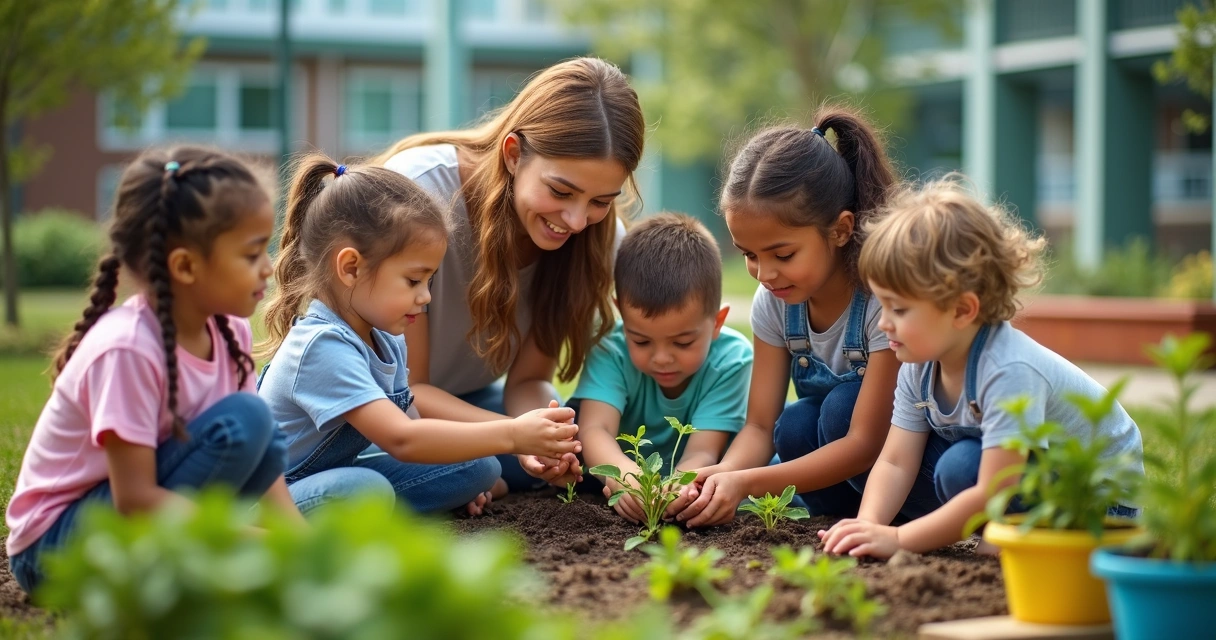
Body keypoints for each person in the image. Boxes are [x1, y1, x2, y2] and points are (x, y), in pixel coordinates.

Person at [6, 146, 301, 593]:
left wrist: (301, 544)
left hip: (123, 522)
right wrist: (252, 542)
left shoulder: (230, 332)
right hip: (53, 548)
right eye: (251, 254)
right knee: (246, 419)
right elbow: (136, 499)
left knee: (257, 425)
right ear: (185, 266)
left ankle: (185, 562)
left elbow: (265, 456)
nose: (269, 266)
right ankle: (189, 563)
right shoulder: (127, 349)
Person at [818, 178, 1144, 559]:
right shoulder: (919, 362)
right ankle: (999, 531)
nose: (882, 323)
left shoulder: (1007, 368)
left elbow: (993, 486)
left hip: (1095, 502)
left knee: (961, 466)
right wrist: (869, 526)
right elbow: (895, 461)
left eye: (899, 309)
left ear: (962, 310)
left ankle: (1009, 537)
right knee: (955, 465)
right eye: (882, 305)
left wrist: (899, 540)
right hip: (1023, 479)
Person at [257, 155, 579, 517]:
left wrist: (474, 472)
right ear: (351, 268)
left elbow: (418, 429)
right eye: (413, 280)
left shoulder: (387, 340)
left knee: (481, 467)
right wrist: (514, 434)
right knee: (364, 489)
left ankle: (384, 513)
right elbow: (401, 439)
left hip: (329, 477)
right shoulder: (321, 345)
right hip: (269, 495)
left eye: (429, 281)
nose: (425, 297)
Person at [375, 56, 645, 491]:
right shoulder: (419, 195)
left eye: (601, 201)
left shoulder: (596, 240)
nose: (577, 221)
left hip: (462, 401)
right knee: (479, 469)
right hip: (376, 409)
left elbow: (528, 380)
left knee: (572, 449)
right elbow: (411, 390)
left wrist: (545, 437)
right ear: (514, 154)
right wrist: (515, 436)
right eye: (561, 191)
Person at [676, 107, 902, 526]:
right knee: (794, 424)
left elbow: (865, 443)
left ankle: (885, 517)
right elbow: (760, 427)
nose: (764, 274)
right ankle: (833, 520)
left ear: (840, 230)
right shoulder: (775, 302)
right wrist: (720, 476)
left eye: (782, 255)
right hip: (843, 475)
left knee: (840, 408)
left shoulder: (882, 302)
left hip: (902, 467)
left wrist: (747, 483)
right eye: (749, 255)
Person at [573, 213, 752, 523]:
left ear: (717, 323)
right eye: (641, 341)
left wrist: (678, 489)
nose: (661, 358)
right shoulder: (609, 350)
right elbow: (595, 429)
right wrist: (623, 475)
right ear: (621, 313)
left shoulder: (731, 360)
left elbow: (703, 452)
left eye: (682, 343)